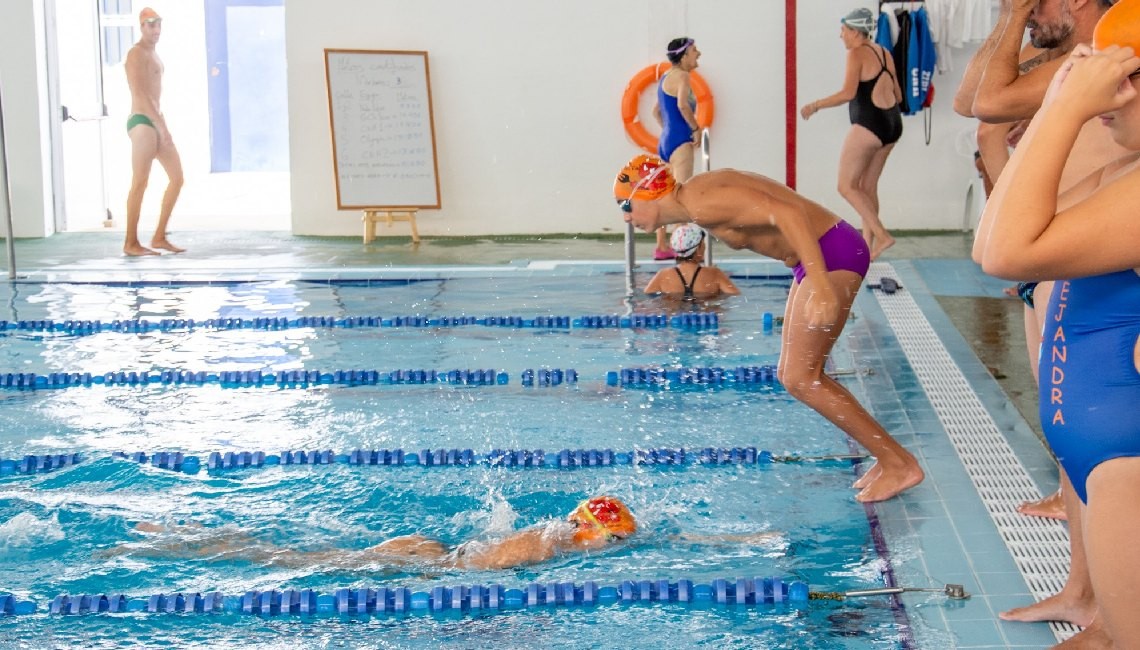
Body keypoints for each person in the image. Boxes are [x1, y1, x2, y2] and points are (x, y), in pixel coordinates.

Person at [614, 155, 924, 503]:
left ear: (649, 194)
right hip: (824, 253)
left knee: (801, 378)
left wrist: (821, 285)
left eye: (627, 205)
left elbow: (789, 213)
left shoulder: (703, 204)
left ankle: (898, 463)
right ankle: (889, 458)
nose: (626, 217)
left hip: (831, 255)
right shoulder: (699, 194)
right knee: (797, 376)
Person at [976, 4, 1140, 643]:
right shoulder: (1125, 169)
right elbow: (997, 236)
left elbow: (1004, 254)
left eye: (1118, 82)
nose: (1103, 98)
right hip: (1107, 457)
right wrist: (1057, 108)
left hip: (1128, 463)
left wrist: (1064, 110)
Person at [113, 496, 637, 571]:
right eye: (615, 540)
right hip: (421, 562)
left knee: (295, 553)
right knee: (288, 560)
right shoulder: (546, 545)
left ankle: (184, 533)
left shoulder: (553, 533)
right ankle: (178, 538)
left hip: (432, 552)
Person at [800, 7, 902, 261]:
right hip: (892, 125)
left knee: (846, 186)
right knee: (867, 186)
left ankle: (882, 234)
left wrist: (815, 105)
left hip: (869, 125)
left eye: (843, 30)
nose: (841, 35)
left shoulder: (857, 53)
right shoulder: (884, 53)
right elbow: (898, 95)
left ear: (856, 32)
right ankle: (867, 247)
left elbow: (847, 93)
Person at [124, 7, 184, 257]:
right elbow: (140, 92)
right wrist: (160, 125)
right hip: (143, 122)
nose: (156, 30)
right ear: (141, 27)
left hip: (156, 121)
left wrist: (161, 122)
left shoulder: (154, 54)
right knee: (140, 182)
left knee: (177, 178)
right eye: (150, 25)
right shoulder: (136, 54)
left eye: (158, 25)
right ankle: (131, 242)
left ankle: (159, 236)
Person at [650, 37, 703, 261]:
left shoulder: (666, 77)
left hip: (666, 141)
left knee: (665, 194)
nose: (698, 54)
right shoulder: (682, 76)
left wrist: (668, 131)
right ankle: (682, 250)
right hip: (680, 142)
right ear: (683, 56)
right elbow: (682, 105)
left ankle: (662, 246)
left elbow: (656, 112)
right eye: (694, 51)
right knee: (680, 196)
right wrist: (694, 128)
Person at [643, 224, 740, 299]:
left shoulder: (663, 276)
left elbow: (647, 296)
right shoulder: (715, 274)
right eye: (703, 244)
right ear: (698, 249)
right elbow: (735, 295)